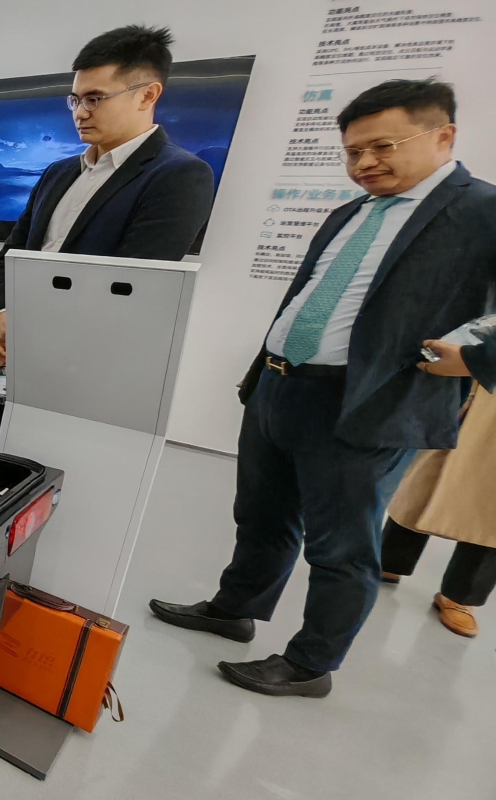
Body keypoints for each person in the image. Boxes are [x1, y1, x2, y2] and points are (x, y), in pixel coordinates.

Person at [150, 79, 496, 698]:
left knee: (342, 548)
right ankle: (235, 609)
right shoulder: (352, 212)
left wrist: (475, 359)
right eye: (353, 151)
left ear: (444, 135)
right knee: (262, 516)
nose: (365, 163)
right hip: (281, 387)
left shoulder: (482, 211)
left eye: (383, 146)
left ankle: (311, 664)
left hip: (367, 403)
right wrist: (264, 371)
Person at [0, 25, 216, 449]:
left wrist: (27, 338)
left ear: (147, 95)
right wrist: (1, 317)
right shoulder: (59, 172)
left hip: (77, 371)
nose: (80, 112)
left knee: (38, 473)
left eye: (95, 99)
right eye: (75, 99)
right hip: (2, 353)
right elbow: (12, 253)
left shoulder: (179, 176)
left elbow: (126, 286)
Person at [380, 383, 496, 637]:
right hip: (471, 371)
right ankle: (390, 557)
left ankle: (462, 596)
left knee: (492, 505)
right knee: (426, 471)